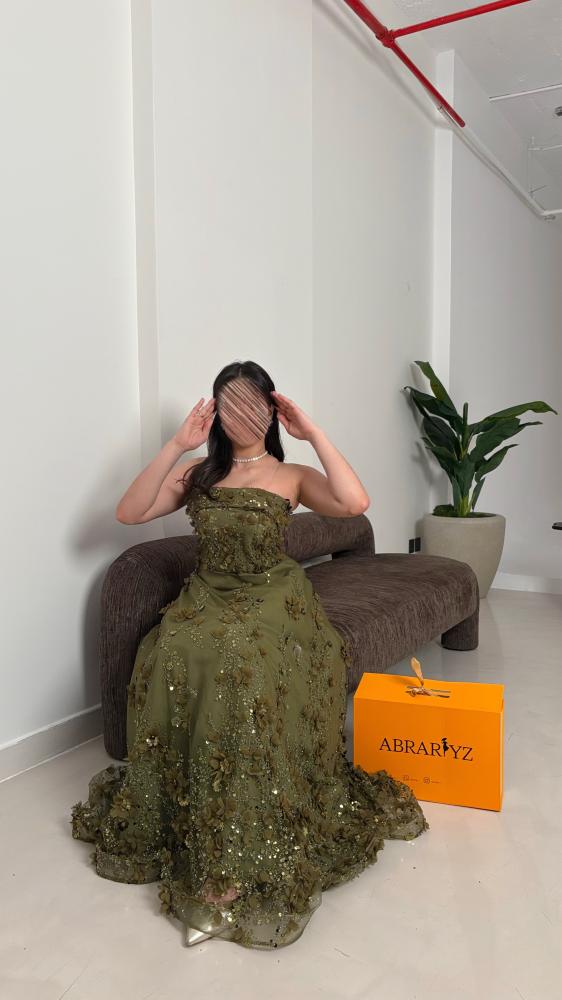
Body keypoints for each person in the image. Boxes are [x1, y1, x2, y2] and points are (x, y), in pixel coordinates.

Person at [70, 360, 429, 949]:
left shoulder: (292, 475)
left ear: (271, 410)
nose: (241, 414)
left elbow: (355, 501)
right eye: (229, 403)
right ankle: (190, 815)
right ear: (216, 413)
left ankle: (229, 870)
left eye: (253, 403)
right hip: (207, 595)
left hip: (272, 596)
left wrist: (313, 433)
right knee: (173, 649)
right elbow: (129, 513)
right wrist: (176, 445)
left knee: (240, 661)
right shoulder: (199, 473)